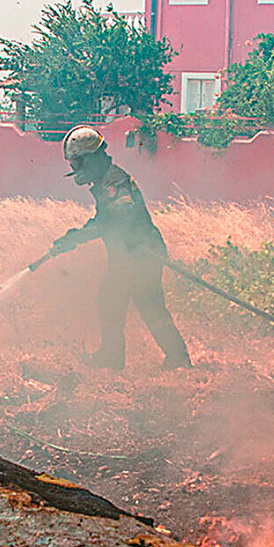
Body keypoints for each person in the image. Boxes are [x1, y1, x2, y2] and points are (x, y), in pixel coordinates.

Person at [47, 125, 191, 370]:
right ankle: (120, 356)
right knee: (113, 300)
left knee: (147, 304)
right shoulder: (105, 181)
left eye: (77, 165)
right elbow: (104, 219)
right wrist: (76, 236)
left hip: (140, 253)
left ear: (90, 159)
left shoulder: (114, 181)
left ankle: (174, 358)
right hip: (128, 254)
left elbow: (120, 215)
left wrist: (79, 237)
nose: (76, 171)